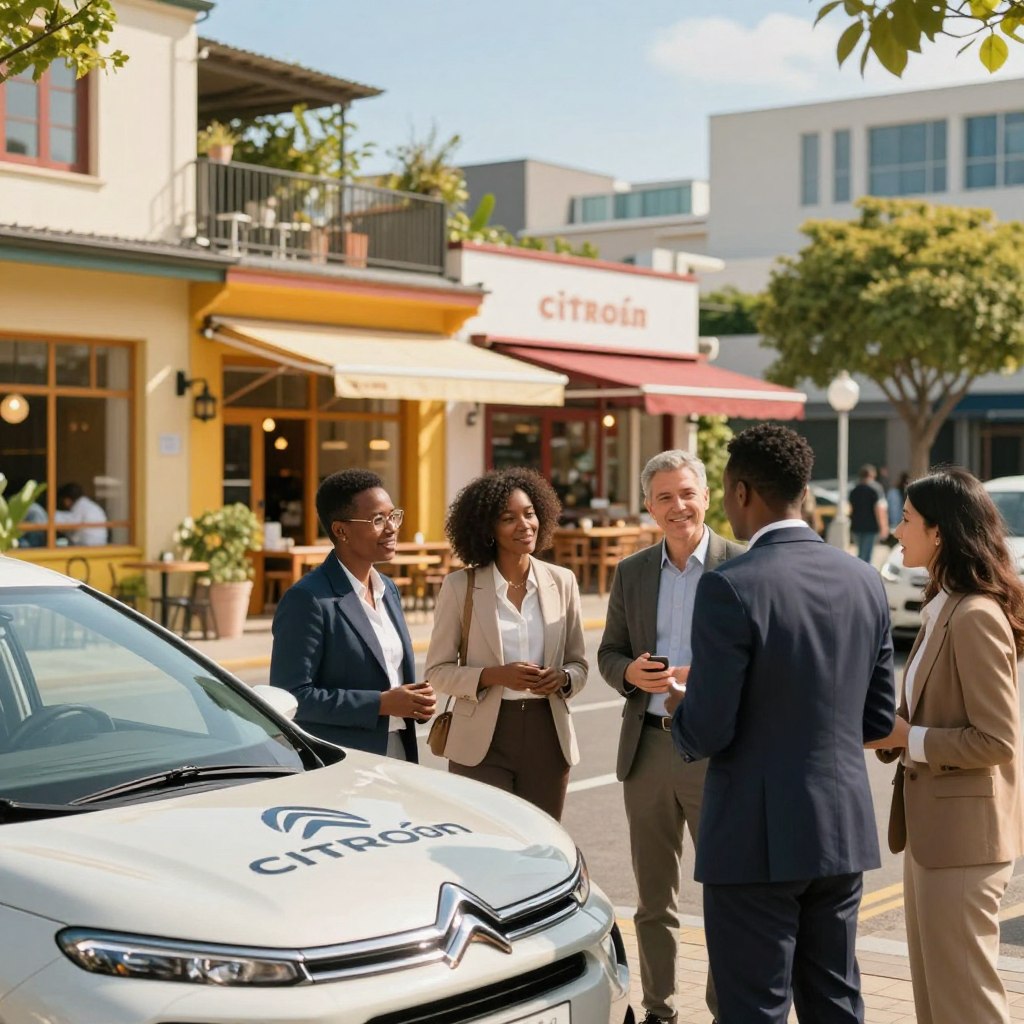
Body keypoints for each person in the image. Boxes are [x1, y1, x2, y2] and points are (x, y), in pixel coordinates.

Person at [668, 423, 895, 1024]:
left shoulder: (730, 586)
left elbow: (710, 727)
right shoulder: (865, 580)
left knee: (754, 1009)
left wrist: (678, 709)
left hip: (754, 837)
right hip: (841, 829)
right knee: (836, 1003)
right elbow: (876, 719)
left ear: (743, 492)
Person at [872, 467, 1024, 1024]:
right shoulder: (945, 606)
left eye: (907, 521)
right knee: (936, 999)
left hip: (965, 843)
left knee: (966, 1000)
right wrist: (894, 734)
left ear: (939, 533)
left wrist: (906, 736)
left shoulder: (975, 614)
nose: (897, 532)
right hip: (935, 835)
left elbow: (997, 740)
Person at [598, 449, 743, 1024]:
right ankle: (661, 1009)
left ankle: (723, 1008)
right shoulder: (632, 571)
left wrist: (704, 683)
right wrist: (628, 673)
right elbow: (609, 651)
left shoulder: (742, 563)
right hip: (649, 747)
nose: (677, 506)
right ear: (649, 506)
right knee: (654, 899)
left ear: (706, 497)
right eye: (664, 497)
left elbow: (763, 661)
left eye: (687, 493)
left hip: (718, 751)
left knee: (726, 892)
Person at [424, 467, 587, 821]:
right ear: (488, 529)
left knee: (541, 846)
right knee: (490, 846)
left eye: (529, 514)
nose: (524, 524)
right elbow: (437, 671)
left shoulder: (563, 582)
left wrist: (563, 678)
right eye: (508, 518)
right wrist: (494, 675)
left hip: (548, 735)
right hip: (483, 741)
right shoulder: (459, 587)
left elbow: (579, 664)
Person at [269, 469, 434, 761]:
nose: (392, 528)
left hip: (398, 748)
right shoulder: (309, 599)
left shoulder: (389, 590)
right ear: (341, 530)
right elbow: (290, 696)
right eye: (378, 520)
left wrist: (415, 701)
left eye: (393, 516)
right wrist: (380, 704)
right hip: (342, 759)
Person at [848, 463, 888, 562]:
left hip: (856, 525)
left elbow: (851, 508)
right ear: (872, 475)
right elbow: (879, 509)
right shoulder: (876, 489)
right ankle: (864, 573)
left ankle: (859, 571)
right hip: (871, 526)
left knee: (861, 551)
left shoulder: (854, 490)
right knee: (867, 554)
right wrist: (883, 526)